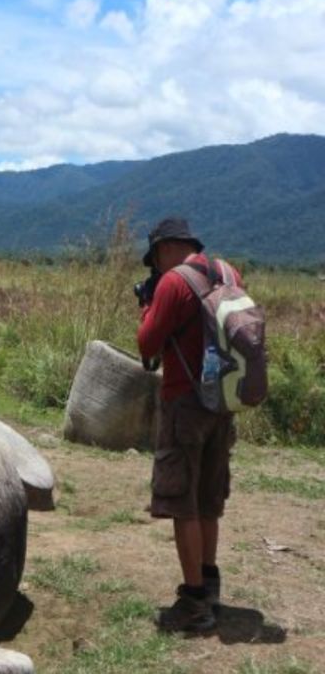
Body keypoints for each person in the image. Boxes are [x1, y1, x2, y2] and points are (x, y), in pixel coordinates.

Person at [137, 217, 239, 633]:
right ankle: (210, 584)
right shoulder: (228, 272)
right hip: (223, 402)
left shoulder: (173, 283)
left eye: (155, 258)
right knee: (209, 499)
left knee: (183, 503)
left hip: (185, 403)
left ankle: (194, 602)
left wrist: (147, 308)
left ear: (164, 249)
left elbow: (147, 343)